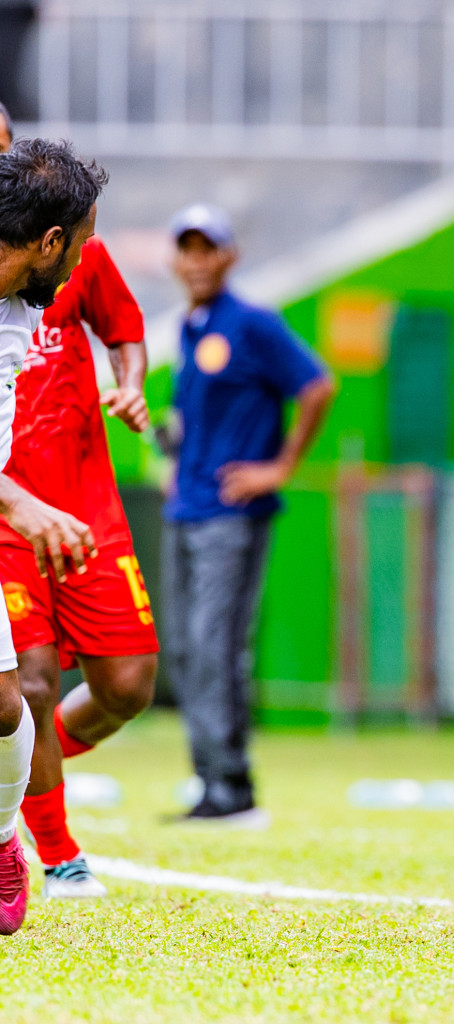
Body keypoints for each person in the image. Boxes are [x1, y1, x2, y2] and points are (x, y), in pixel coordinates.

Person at [0, 123, 157, 898]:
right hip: (10, 513)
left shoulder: (57, 270)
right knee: (21, 685)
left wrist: (131, 382)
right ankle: (51, 847)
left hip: (81, 500)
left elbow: (126, 331)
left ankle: (26, 771)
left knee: (128, 684)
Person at [162, 204, 335, 825]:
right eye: (188, 248)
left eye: (208, 248)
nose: (197, 259)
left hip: (231, 515)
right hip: (187, 509)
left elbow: (318, 385)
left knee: (216, 646)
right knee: (184, 648)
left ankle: (231, 789)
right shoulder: (193, 326)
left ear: (229, 256)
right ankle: (209, 777)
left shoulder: (253, 322)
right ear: (174, 259)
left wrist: (279, 467)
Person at [0, 137, 109, 933]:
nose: (82, 261)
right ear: (47, 243)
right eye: (81, 241)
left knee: (6, 711)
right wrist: (24, 508)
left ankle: (5, 840)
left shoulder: (15, 318)